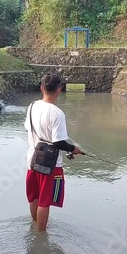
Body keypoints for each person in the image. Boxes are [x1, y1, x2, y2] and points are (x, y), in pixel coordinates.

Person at [24, 73, 82, 231]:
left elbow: (28, 130)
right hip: (50, 165)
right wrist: (73, 149)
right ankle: (41, 235)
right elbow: (58, 142)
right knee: (44, 201)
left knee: (34, 197)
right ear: (59, 90)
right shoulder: (57, 113)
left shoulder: (32, 106)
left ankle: (35, 227)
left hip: (32, 161)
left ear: (42, 88)